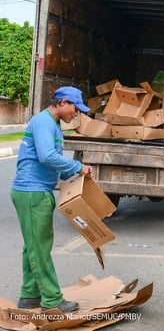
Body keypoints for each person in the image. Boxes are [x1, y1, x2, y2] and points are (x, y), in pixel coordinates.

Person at [11, 86, 94, 313]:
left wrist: (74, 175)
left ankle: (29, 296)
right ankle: (52, 300)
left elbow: (53, 160)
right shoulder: (43, 122)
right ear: (63, 102)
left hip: (36, 191)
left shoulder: (53, 125)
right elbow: (47, 156)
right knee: (40, 248)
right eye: (75, 109)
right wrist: (77, 166)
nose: (76, 114)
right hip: (31, 192)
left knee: (33, 248)